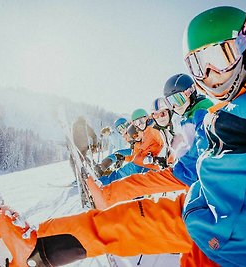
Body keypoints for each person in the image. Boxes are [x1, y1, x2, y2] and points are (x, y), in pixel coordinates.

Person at [0, 6, 246, 267]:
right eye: (198, 65)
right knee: (115, 224)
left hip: (228, 244)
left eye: (219, 60)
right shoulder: (235, 105)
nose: (209, 76)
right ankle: (34, 248)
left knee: (121, 222)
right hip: (202, 209)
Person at [86, 74, 213, 209]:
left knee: (138, 181)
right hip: (182, 174)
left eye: (178, 99)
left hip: (187, 176)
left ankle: (104, 190)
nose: (175, 106)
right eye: (171, 102)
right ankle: (103, 190)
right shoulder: (182, 119)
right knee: (136, 180)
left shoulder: (198, 115)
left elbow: (201, 150)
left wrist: (162, 161)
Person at [98, 108, 164, 185]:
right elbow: (136, 152)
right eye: (119, 129)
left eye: (122, 127)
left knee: (126, 171)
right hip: (141, 162)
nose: (122, 130)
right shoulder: (138, 133)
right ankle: (104, 177)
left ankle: (104, 181)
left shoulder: (150, 130)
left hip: (147, 165)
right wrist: (123, 158)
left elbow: (161, 143)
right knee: (125, 170)